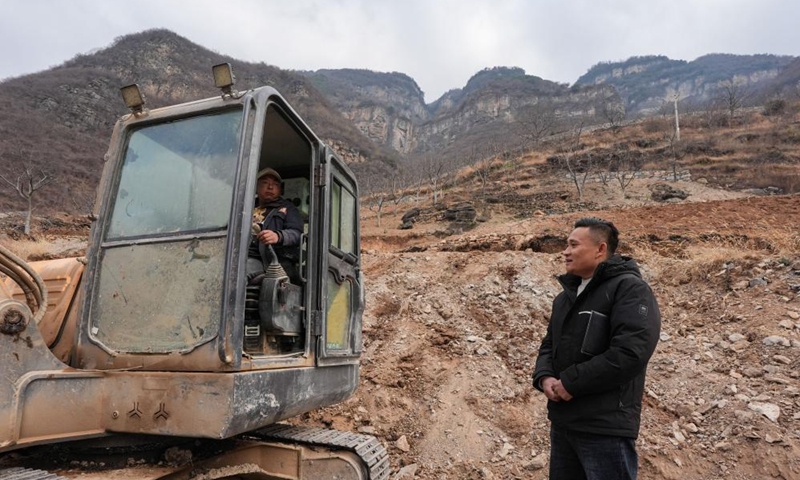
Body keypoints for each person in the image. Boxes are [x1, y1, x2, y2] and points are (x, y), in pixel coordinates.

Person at [532, 217, 660, 480]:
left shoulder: (629, 290)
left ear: (600, 250)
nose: (565, 252)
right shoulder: (565, 298)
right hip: (565, 422)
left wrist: (570, 383)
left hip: (605, 427)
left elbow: (630, 352)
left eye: (573, 245)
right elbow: (549, 344)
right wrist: (544, 376)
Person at [248, 168, 304, 284]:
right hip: (240, 255)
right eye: (265, 183)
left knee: (237, 273)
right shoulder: (245, 207)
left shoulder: (288, 209)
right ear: (256, 187)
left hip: (268, 260)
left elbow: (297, 234)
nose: (270, 187)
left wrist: (278, 236)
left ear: (280, 189)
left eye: (275, 184)